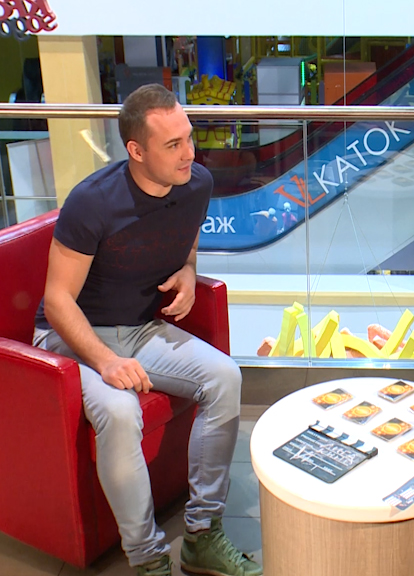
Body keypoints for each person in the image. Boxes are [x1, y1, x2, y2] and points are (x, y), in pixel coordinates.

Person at [32, 84, 262, 576]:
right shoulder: (92, 202)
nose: (189, 154)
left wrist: (188, 270)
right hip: (70, 339)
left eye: (189, 137)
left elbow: (187, 239)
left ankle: (202, 536)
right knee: (119, 411)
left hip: (139, 330)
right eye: (173, 145)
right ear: (136, 151)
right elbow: (56, 301)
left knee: (225, 377)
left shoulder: (196, 184)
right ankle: (148, 561)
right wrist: (105, 361)